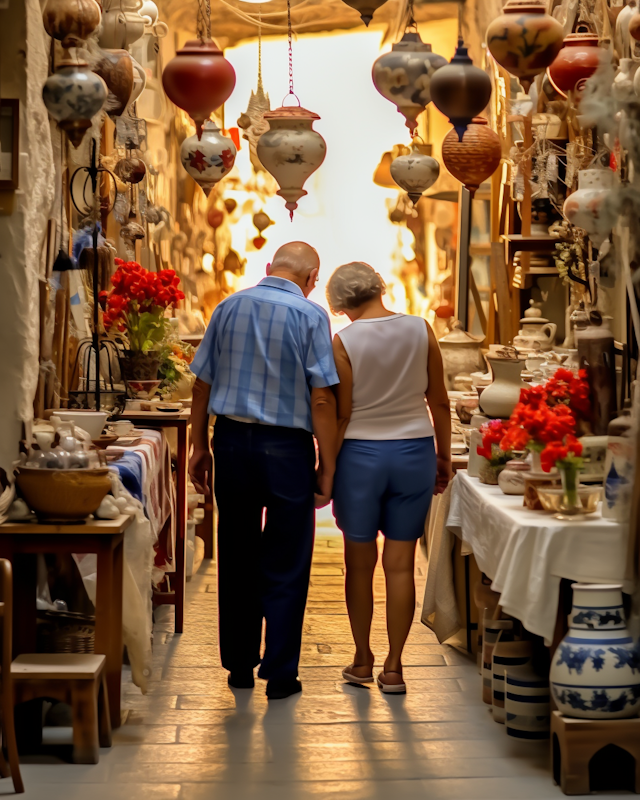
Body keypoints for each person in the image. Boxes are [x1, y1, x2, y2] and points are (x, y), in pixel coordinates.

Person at [189, 242, 339, 700]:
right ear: (312, 277)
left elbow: (201, 382)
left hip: (231, 442)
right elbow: (320, 397)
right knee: (287, 559)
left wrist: (199, 447)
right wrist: (327, 463)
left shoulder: (228, 307)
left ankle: (237, 665)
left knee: (236, 551)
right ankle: (280, 674)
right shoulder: (311, 316)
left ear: (268, 268)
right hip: (287, 448)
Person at [326, 262, 451, 694]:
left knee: (358, 565)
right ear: (380, 288)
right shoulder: (420, 329)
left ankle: (362, 660)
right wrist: (443, 456)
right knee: (400, 567)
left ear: (340, 303)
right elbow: (439, 401)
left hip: (360, 456)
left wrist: (326, 468)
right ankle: (395, 668)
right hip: (414, 451)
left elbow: (341, 413)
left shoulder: (343, 340)